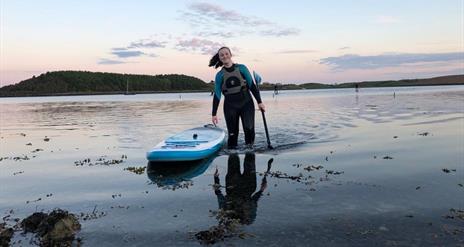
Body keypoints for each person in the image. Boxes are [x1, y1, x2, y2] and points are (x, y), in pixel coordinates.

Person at [209, 47, 265, 149]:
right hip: (230, 106)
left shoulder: (242, 68)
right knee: (232, 134)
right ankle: (232, 158)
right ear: (220, 58)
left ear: (230, 55)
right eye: (222, 55)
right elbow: (217, 95)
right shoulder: (219, 75)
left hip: (246, 103)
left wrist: (259, 102)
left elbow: (252, 85)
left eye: (226, 54)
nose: (224, 56)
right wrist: (214, 114)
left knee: (249, 130)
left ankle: (250, 155)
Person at [213, 153, 272, 225]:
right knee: (244, 156)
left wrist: (216, 179)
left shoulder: (226, 217)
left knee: (236, 156)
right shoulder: (249, 219)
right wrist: (261, 191)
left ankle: (246, 147)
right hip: (246, 186)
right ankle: (249, 146)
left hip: (235, 185)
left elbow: (220, 198)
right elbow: (253, 202)